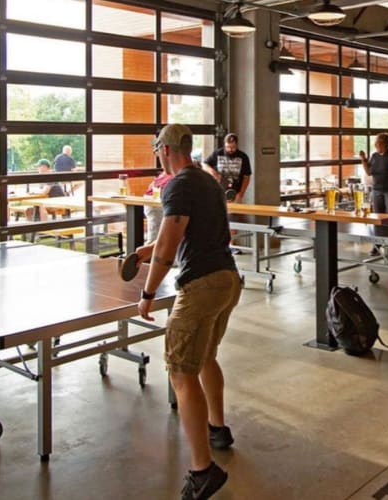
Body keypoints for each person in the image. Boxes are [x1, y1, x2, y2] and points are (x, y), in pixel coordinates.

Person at [135, 123, 241, 500]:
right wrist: (144, 253)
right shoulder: (207, 180)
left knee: (181, 371)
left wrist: (147, 293)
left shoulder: (177, 184)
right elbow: (198, 233)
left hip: (202, 285)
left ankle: (202, 470)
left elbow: (168, 245)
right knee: (206, 357)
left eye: (156, 150)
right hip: (228, 280)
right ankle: (217, 428)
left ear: (165, 149)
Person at [359, 133, 388, 256]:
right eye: (376, 143)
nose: (376, 145)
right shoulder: (374, 156)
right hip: (377, 190)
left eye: (378, 142)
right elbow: (368, 172)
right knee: (378, 219)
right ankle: (377, 245)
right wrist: (363, 160)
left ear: (385, 144)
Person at [202, 133, 251, 203]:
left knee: (235, 213)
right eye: (228, 147)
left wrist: (241, 193)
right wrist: (214, 173)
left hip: (235, 193)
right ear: (224, 145)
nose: (230, 149)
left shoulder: (243, 157)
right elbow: (204, 164)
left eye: (233, 147)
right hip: (218, 192)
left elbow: (247, 176)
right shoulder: (218, 153)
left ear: (237, 145)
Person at [143, 171, 174, 243]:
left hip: (151, 199)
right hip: (157, 200)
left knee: (157, 235)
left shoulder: (169, 172)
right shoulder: (180, 175)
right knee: (155, 238)